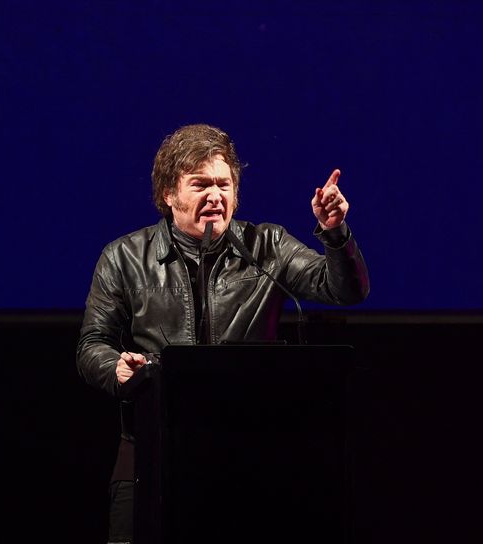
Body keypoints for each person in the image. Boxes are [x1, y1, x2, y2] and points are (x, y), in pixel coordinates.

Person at [76, 123, 370, 543]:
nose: (215, 195)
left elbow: (346, 290)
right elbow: (91, 346)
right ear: (168, 195)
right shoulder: (124, 257)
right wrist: (119, 368)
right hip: (151, 450)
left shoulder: (268, 245)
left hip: (249, 450)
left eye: (224, 184)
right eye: (200, 184)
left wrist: (335, 233)